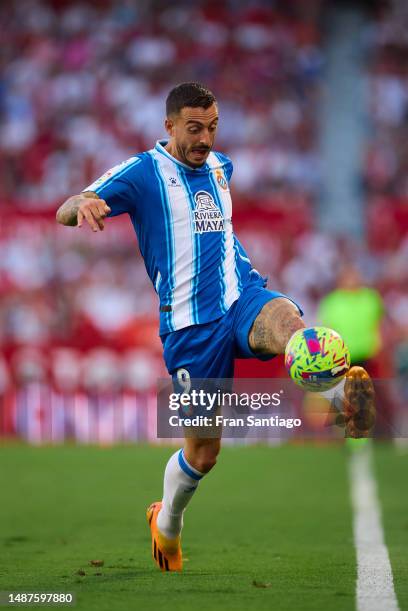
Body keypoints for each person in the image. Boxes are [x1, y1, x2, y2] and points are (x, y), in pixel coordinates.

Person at [56, 82, 370, 572]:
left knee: (289, 322)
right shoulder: (142, 173)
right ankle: (168, 522)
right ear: (170, 126)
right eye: (195, 129)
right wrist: (86, 205)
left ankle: (335, 395)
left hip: (241, 297)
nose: (206, 139)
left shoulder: (222, 167)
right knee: (203, 454)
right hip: (188, 329)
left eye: (213, 127)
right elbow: (68, 206)